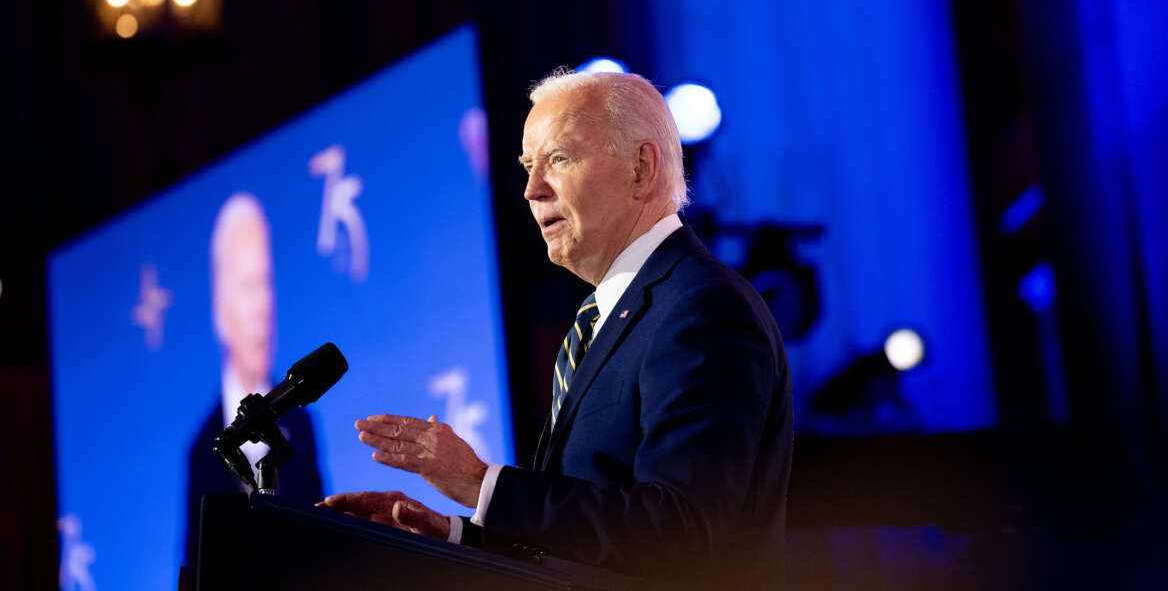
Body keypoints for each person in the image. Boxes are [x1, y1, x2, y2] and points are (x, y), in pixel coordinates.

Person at [321, 71, 793, 587]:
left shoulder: (701, 308)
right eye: (528, 166)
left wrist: (482, 485)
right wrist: (455, 537)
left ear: (641, 168)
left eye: (559, 159)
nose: (530, 190)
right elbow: (595, 544)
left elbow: (682, 532)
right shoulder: (608, 318)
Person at [184, 193, 324, 566]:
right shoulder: (202, 451)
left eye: (267, 283)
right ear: (220, 306)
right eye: (248, 285)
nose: (263, 306)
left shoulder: (301, 424)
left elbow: (328, 546)